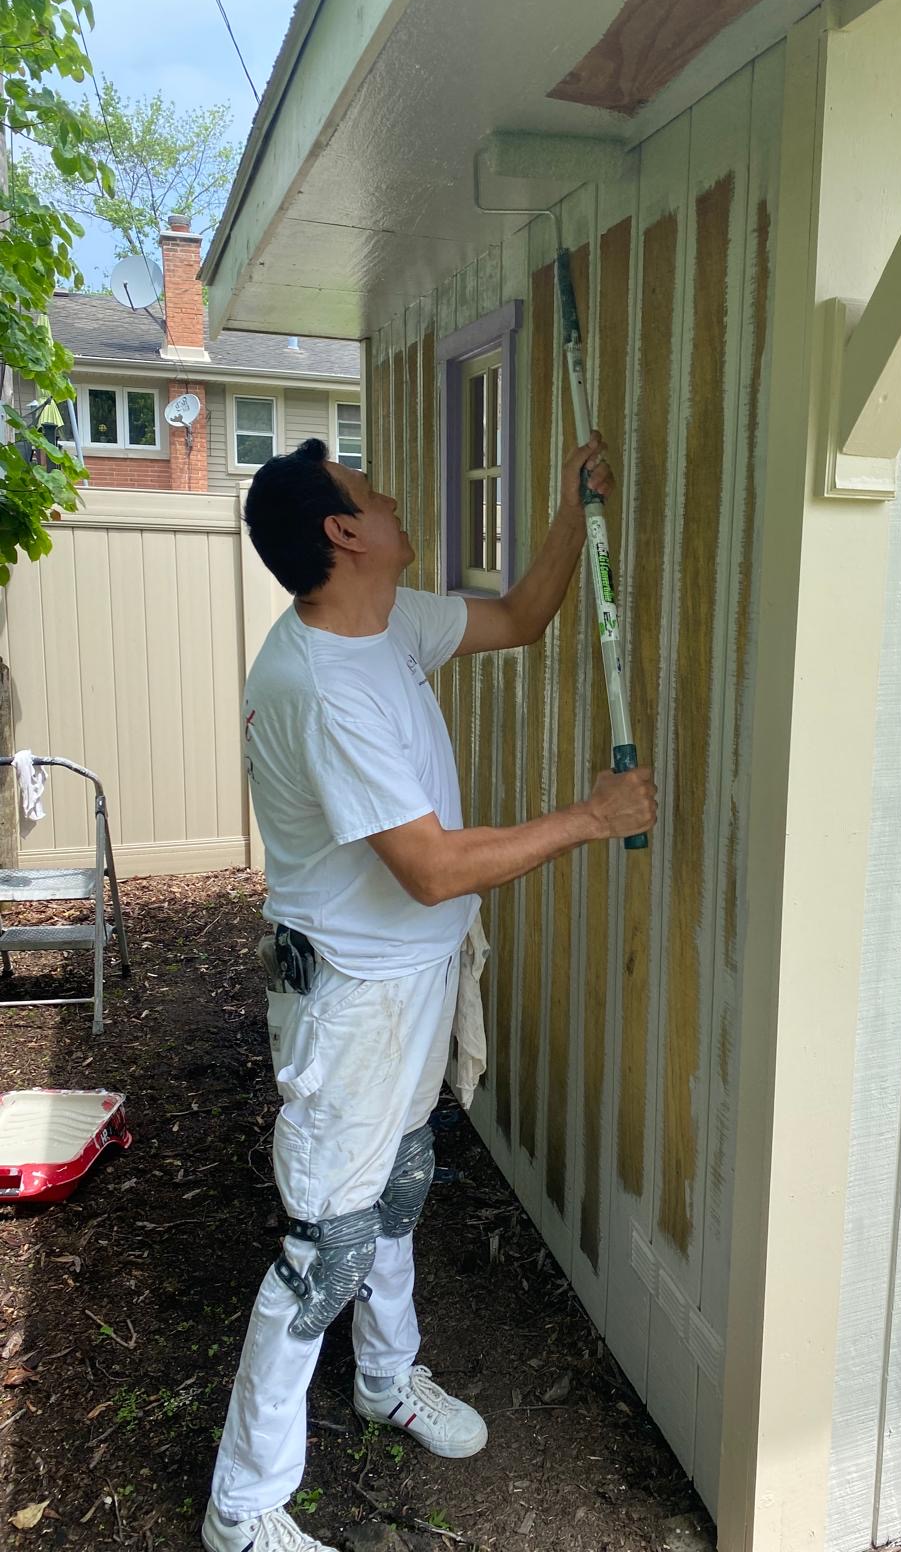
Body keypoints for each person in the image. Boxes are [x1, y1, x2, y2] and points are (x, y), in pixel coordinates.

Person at [202, 433, 657, 1552]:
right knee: (325, 1247)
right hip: (353, 999)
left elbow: (524, 617)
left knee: (399, 1186)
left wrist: (575, 508)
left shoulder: (387, 621)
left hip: (414, 976)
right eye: (370, 492)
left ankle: (386, 1378)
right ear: (343, 533)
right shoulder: (319, 686)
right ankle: (243, 1507)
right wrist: (591, 817)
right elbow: (432, 868)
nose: (393, 495)